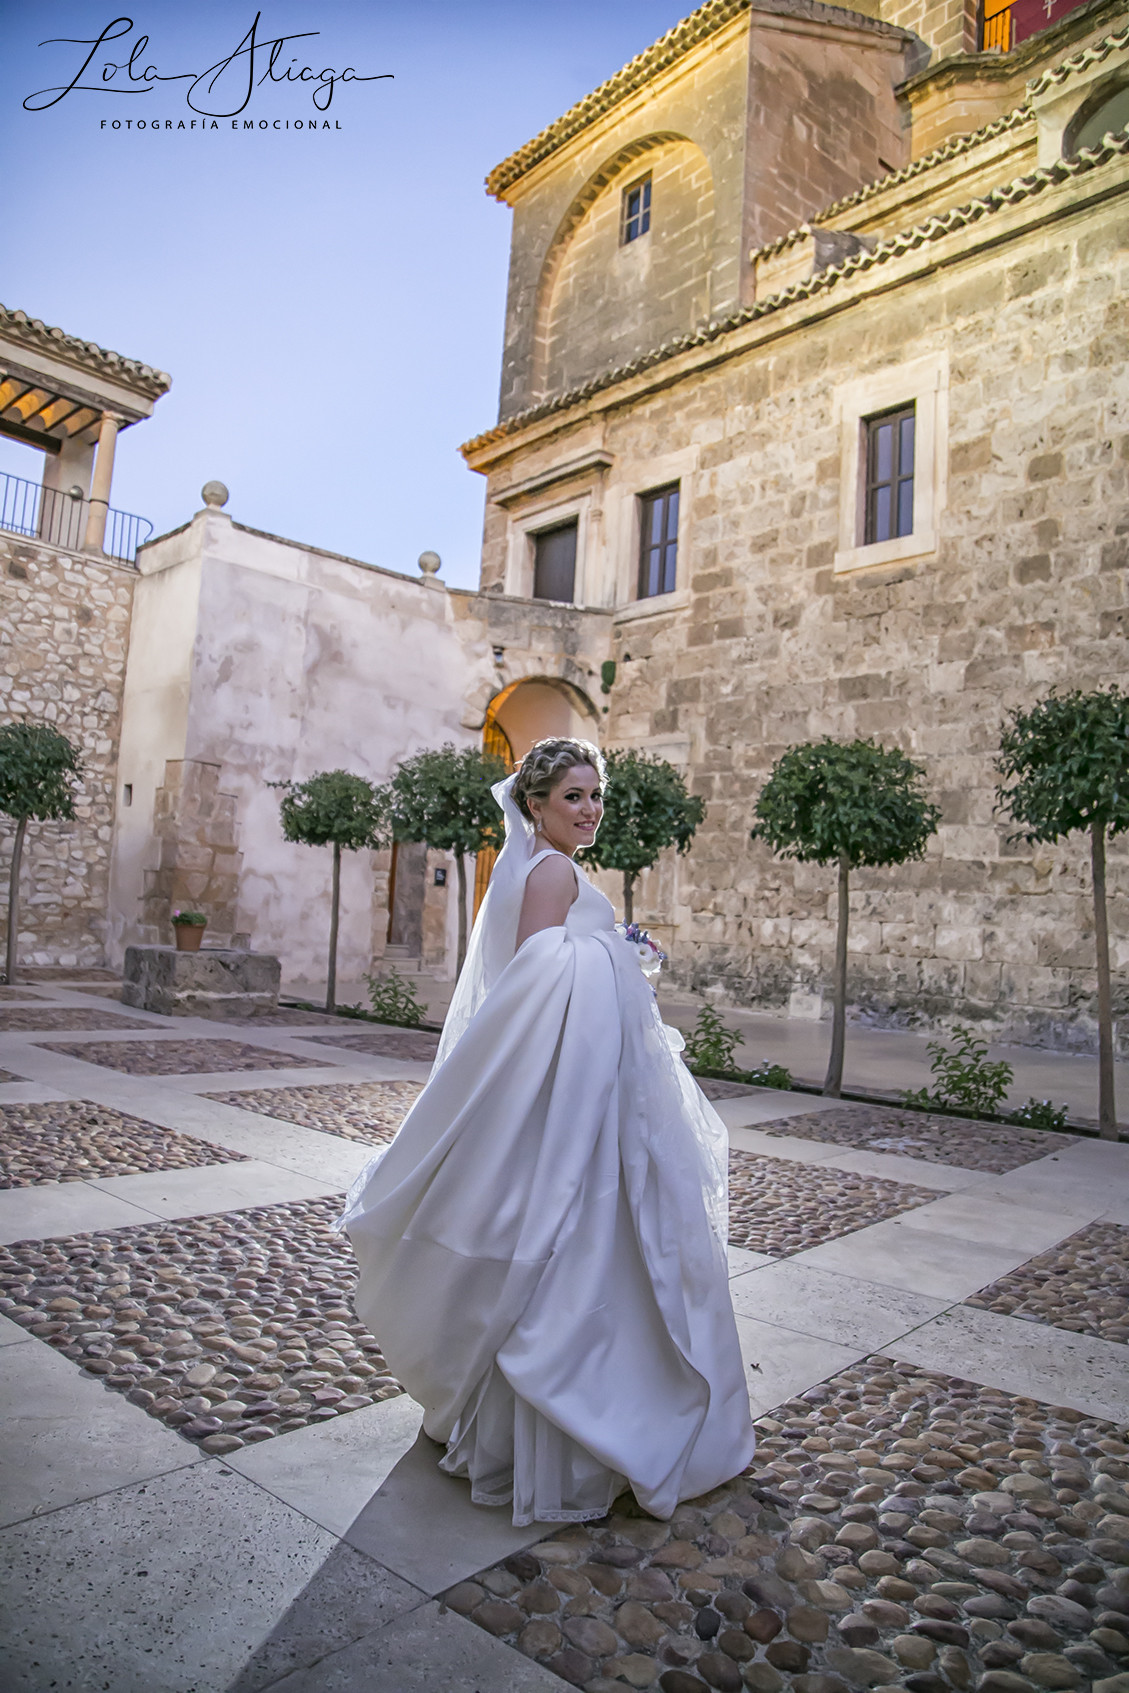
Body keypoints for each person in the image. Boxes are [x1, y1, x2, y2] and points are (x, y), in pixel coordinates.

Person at [342, 737, 755, 1526]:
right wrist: (616, 963)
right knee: (589, 1243)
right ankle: (597, 1424)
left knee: (559, 1247)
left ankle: (525, 1422)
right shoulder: (553, 870)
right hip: (574, 1091)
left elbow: (531, 974)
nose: (590, 808)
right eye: (574, 795)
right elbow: (538, 987)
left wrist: (610, 954)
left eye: (595, 794)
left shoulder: (522, 868)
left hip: (563, 1080)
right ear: (534, 802)